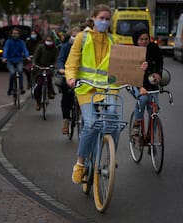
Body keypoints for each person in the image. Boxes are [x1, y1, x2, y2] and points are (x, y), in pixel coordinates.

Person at [65, 4, 142, 184]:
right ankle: (80, 163)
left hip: (107, 89)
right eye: (101, 18)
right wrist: (71, 78)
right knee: (91, 123)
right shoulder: (82, 38)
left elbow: (126, 67)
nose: (104, 22)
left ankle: (110, 155)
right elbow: (72, 62)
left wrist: (140, 68)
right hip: (86, 88)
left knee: (114, 121)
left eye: (108, 19)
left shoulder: (114, 40)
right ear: (93, 19)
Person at [131, 27, 163, 136]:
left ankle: (151, 136)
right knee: (143, 98)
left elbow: (159, 63)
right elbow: (130, 72)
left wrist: (158, 73)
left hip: (151, 84)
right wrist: (140, 87)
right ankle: (137, 123)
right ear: (136, 40)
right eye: (141, 39)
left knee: (154, 110)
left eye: (146, 39)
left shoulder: (154, 48)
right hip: (137, 83)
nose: (144, 42)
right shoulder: (133, 51)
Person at [56, 27, 81, 134]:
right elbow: (61, 59)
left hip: (82, 76)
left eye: (77, 36)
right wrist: (61, 68)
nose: (75, 38)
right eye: (74, 36)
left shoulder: (84, 46)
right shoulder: (65, 47)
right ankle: (66, 122)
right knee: (66, 98)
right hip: (68, 75)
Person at [2, 27, 31, 96]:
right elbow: (6, 49)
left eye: (17, 33)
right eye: (14, 33)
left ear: (19, 34)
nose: (15, 35)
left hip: (19, 60)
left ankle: (21, 88)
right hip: (10, 61)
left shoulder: (21, 42)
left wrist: (27, 56)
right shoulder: (8, 41)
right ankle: (10, 89)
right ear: (11, 34)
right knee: (12, 73)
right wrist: (5, 57)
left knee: (20, 71)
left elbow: (25, 49)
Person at [33, 35, 59, 110]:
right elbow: (35, 57)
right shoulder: (40, 47)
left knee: (48, 76)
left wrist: (55, 65)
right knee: (39, 85)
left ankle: (50, 92)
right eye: (47, 40)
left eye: (50, 40)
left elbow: (56, 58)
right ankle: (38, 102)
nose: (49, 42)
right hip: (39, 67)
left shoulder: (55, 49)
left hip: (49, 67)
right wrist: (35, 64)